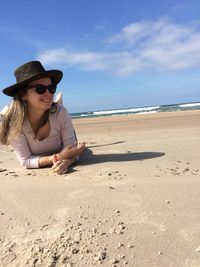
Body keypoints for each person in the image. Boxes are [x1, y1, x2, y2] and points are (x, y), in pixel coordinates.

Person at [0, 60, 85, 174]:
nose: (49, 93)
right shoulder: (15, 124)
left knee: (57, 110)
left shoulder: (61, 114)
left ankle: (57, 103)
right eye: (40, 88)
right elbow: (25, 161)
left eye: (51, 88)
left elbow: (73, 152)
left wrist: (66, 163)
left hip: (57, 116)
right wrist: (59, 157)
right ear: (22, 94)